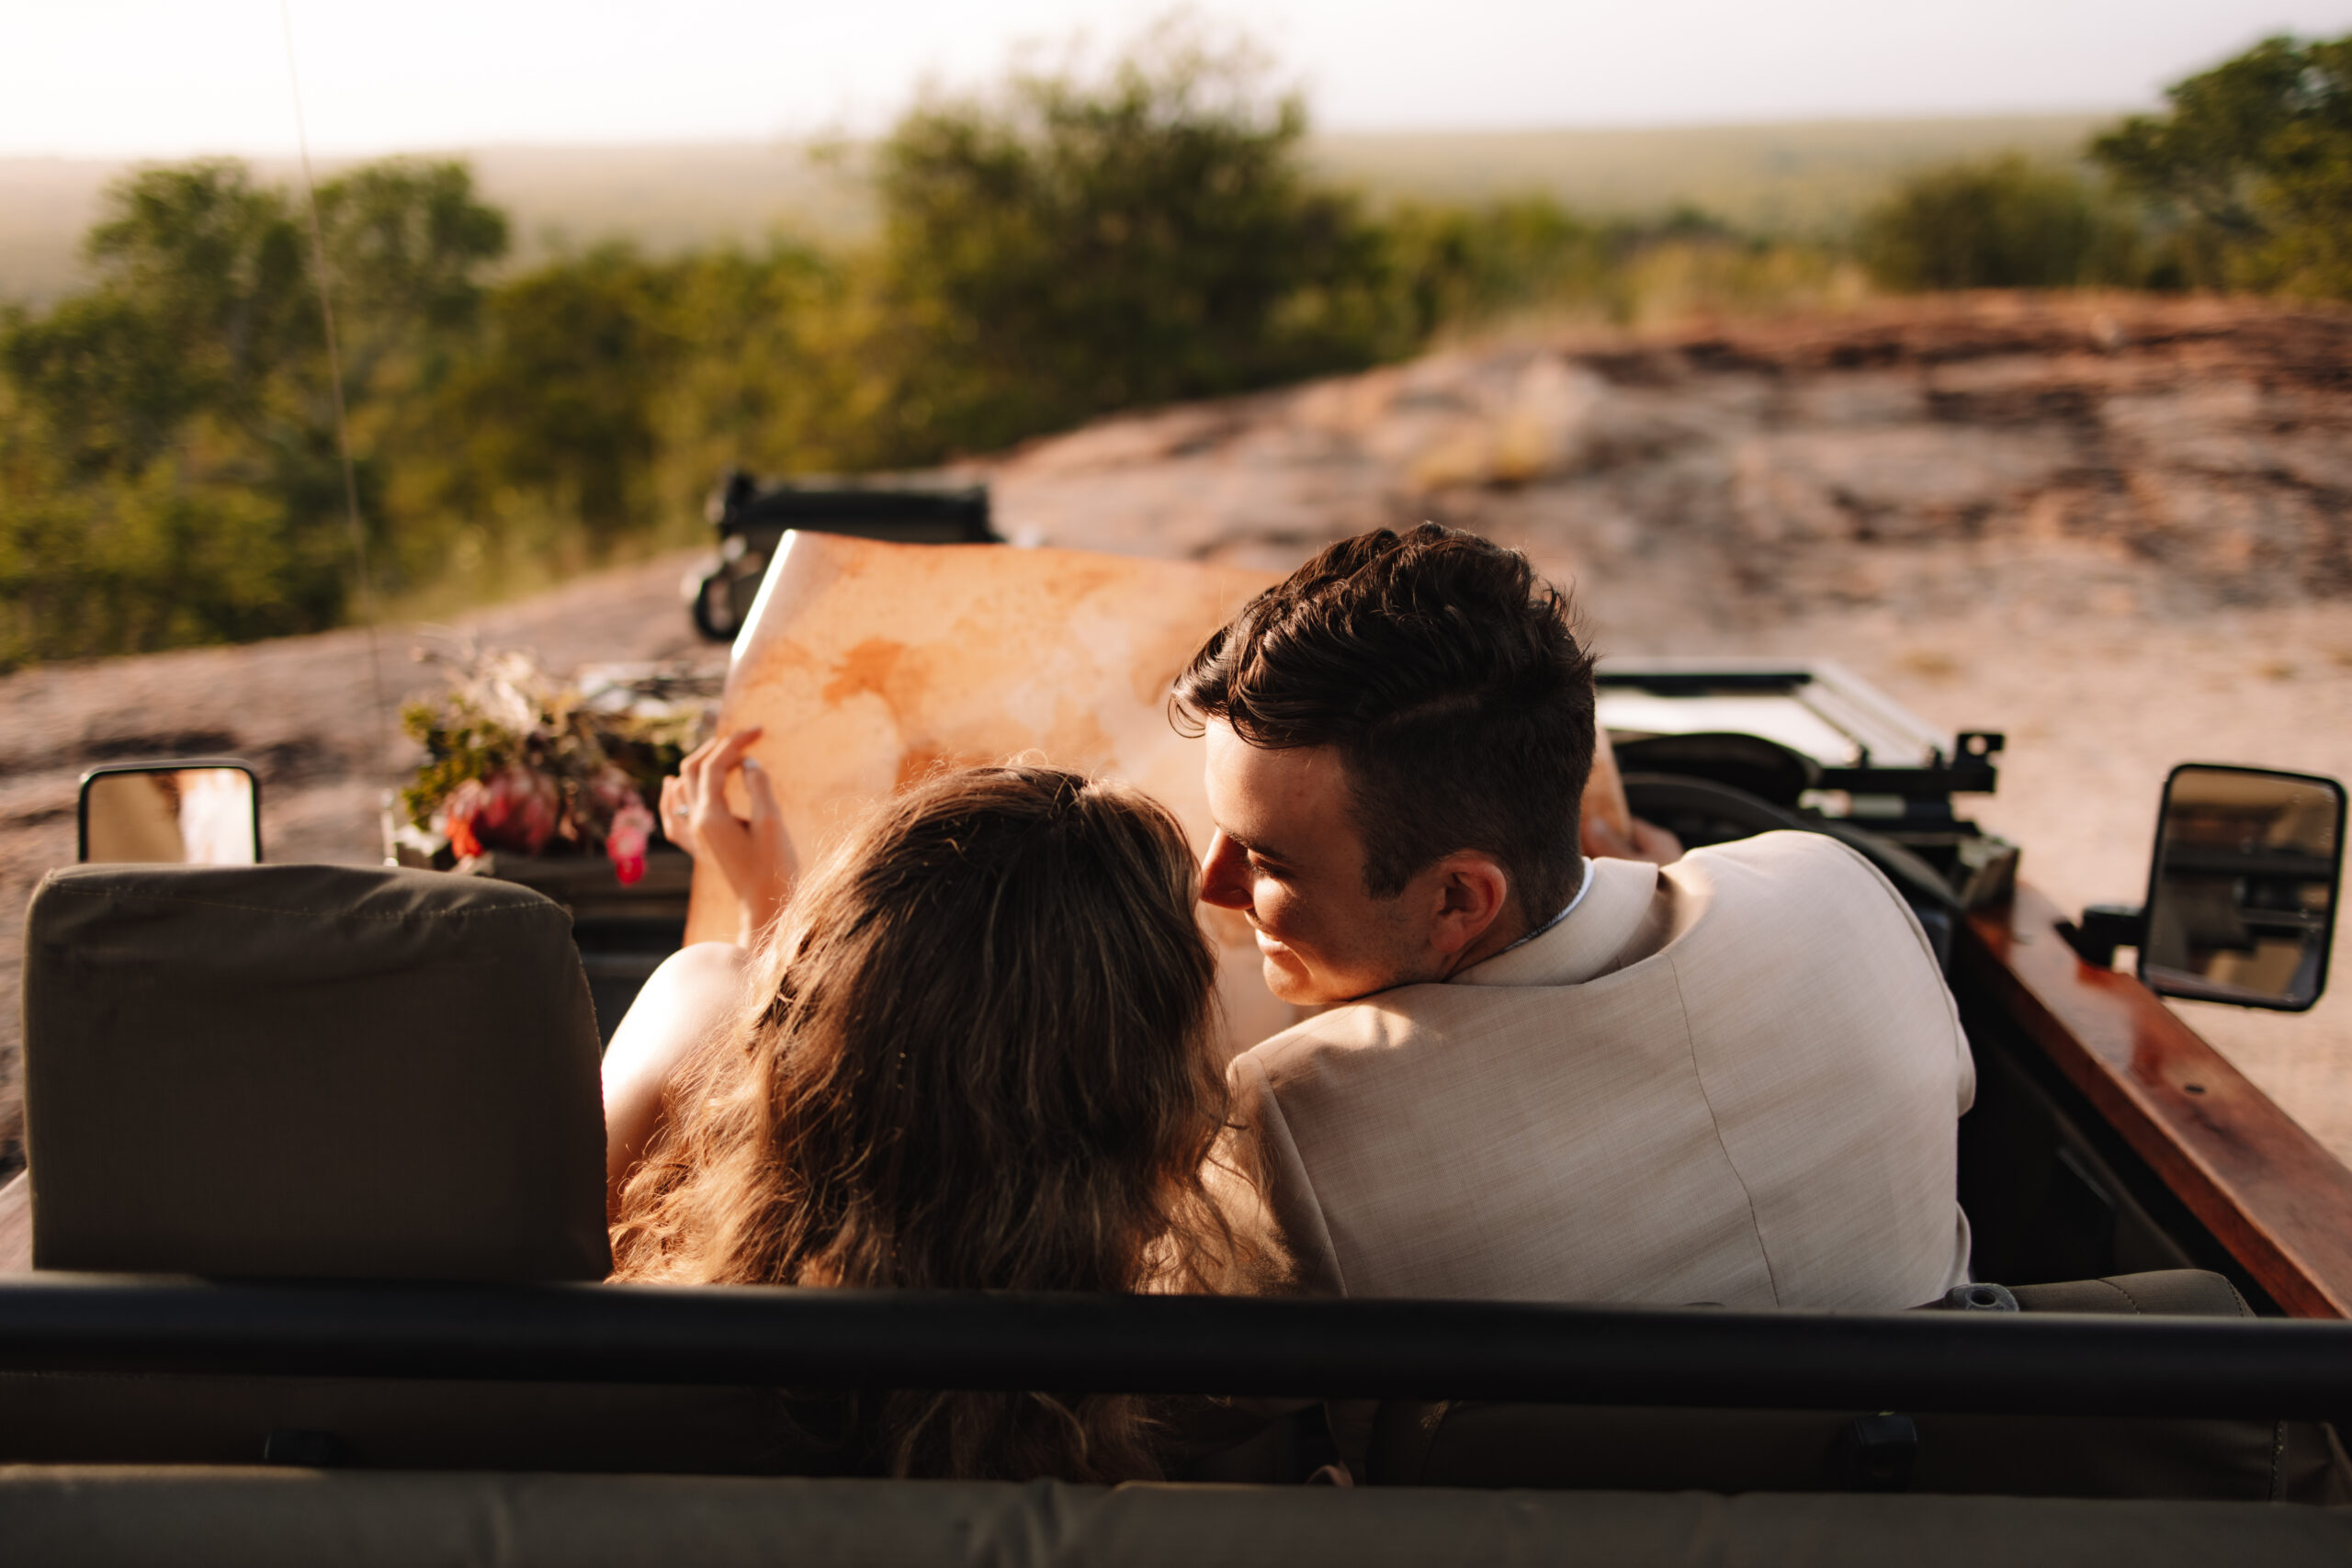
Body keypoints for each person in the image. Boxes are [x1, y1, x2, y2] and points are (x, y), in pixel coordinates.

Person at [1180, 524, 1974, 1310]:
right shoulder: (1841, 892)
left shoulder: (1297, 1135)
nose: (1212, 883)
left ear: (1459, 898)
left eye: (1268, 860)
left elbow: (1129, 1404)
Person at [600, 762, 1238, 1483]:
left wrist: (768, 923)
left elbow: (715, 1023)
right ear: (1140, 1114)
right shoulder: (1186, 1416)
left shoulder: (630, 1376)